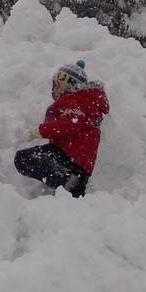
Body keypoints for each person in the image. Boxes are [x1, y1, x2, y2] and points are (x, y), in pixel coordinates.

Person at [13, 60, 109, 197]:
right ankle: (68, 183)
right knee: (72, 204)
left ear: (66, 86)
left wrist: (38, 132)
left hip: (67, 155)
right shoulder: (84, 102)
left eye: (56, 86)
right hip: (82, 166)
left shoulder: (71, 99)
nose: (54, 89)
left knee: (23, 158)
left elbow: (70, 124)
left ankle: (65, 179)